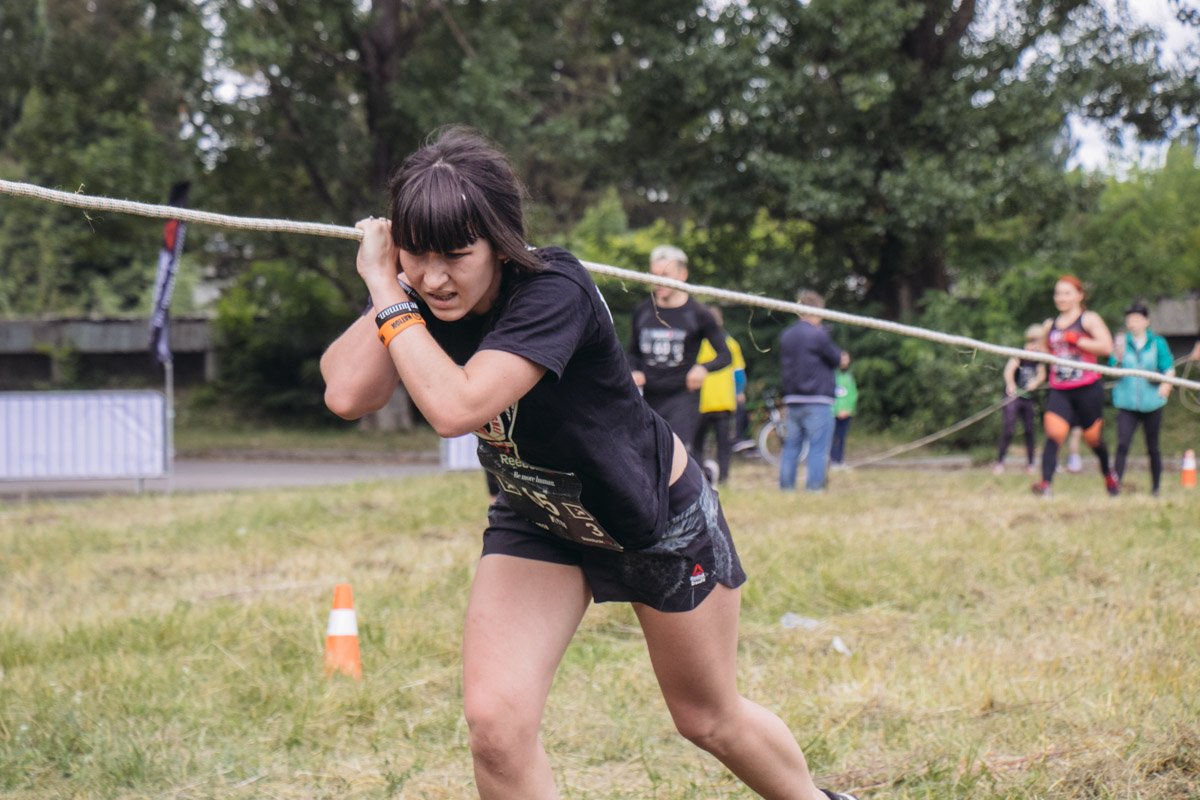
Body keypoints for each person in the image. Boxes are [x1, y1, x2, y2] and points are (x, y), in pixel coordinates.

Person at [319, 128, 856, 800]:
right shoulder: (413, 296)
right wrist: (388, 282)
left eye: (455, 255)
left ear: (500, 240)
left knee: (707, 718)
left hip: (654, 520)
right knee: (496, 729)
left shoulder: (553, 289)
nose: (434, 277)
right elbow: (346, 394)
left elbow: (457, 407)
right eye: (417, 253)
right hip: (541, 518)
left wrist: (389, 288)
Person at [628, 246, 732, 452]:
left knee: (674, 453)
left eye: (665, 275)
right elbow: (632, 353)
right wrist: (634, 370)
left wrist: (703, 368)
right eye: (654, 275)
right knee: (645, 453)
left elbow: (725, 355)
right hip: (649, 396)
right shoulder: (642, 311)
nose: (658, 282)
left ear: (682, 275)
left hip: (683, 396)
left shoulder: (699, 313)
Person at [1031, 275, 1116, 497]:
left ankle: (1109, 476)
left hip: (1087, 388)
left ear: (1079, 295)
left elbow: (1107, 347)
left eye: (1067, 293)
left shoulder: (1089, 319)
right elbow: (1046, 352)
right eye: (1058, 293)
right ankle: (1046, 485)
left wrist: (1076, 339)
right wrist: (1040, 351)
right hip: (1060, 389)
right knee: (1054, 433)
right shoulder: (1049, 325)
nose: (1061, 298)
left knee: (1093, 439)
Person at [778, 290, 843, 492]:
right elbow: (836, 359)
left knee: (791, 447)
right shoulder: (818, 334)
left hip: (793, 399)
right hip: (817, 399)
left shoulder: (787, 335)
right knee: (818, 447)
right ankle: (814, 488)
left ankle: (786, 488)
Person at [1110, 301, 1175, 495]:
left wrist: (1166, 384)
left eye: (1137, 319)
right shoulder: (1122, 342)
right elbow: (1113, 370)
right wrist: (1118, 357)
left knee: (1153, 447)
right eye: (1130, 320)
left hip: (1152, 401)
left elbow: (1168, 366)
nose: (1133, 323)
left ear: (1146, 321)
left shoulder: (1157, 343)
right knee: (1122, 444)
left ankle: (1156, 487)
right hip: (1126, 402)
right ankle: (1114, 487)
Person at [693, 306, 745, 484]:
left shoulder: (696, 343)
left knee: (697, 444)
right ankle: (724, 478)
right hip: (724, 401)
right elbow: (739, 374)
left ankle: (699, 478)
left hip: (701, 401)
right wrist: (739, 392)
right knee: (724, 444)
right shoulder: (731, 344)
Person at [993, 325, 1046, 475]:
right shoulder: (1020, 353)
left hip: (1028, 398)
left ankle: (1030, 464)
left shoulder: (1039, 357)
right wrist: (1011, 385)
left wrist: (1035, 382)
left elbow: (1041, 374)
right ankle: (1000, 462)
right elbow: (1009, 371)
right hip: (1013, 397)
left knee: (1029, 430)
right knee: (1008, 428)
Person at [829, 351, 858, 468]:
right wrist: (836, 410)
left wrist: (849, 409)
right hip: (833, 413)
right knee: (832, 436)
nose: (844, 362)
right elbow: (830, 394)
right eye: (842, 359)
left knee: (842, 437)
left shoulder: (849, 377)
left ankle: (840, 460)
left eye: (846, 359)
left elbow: (853, 394)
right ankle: (832, 460)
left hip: (846, 413)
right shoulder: (832, 375)